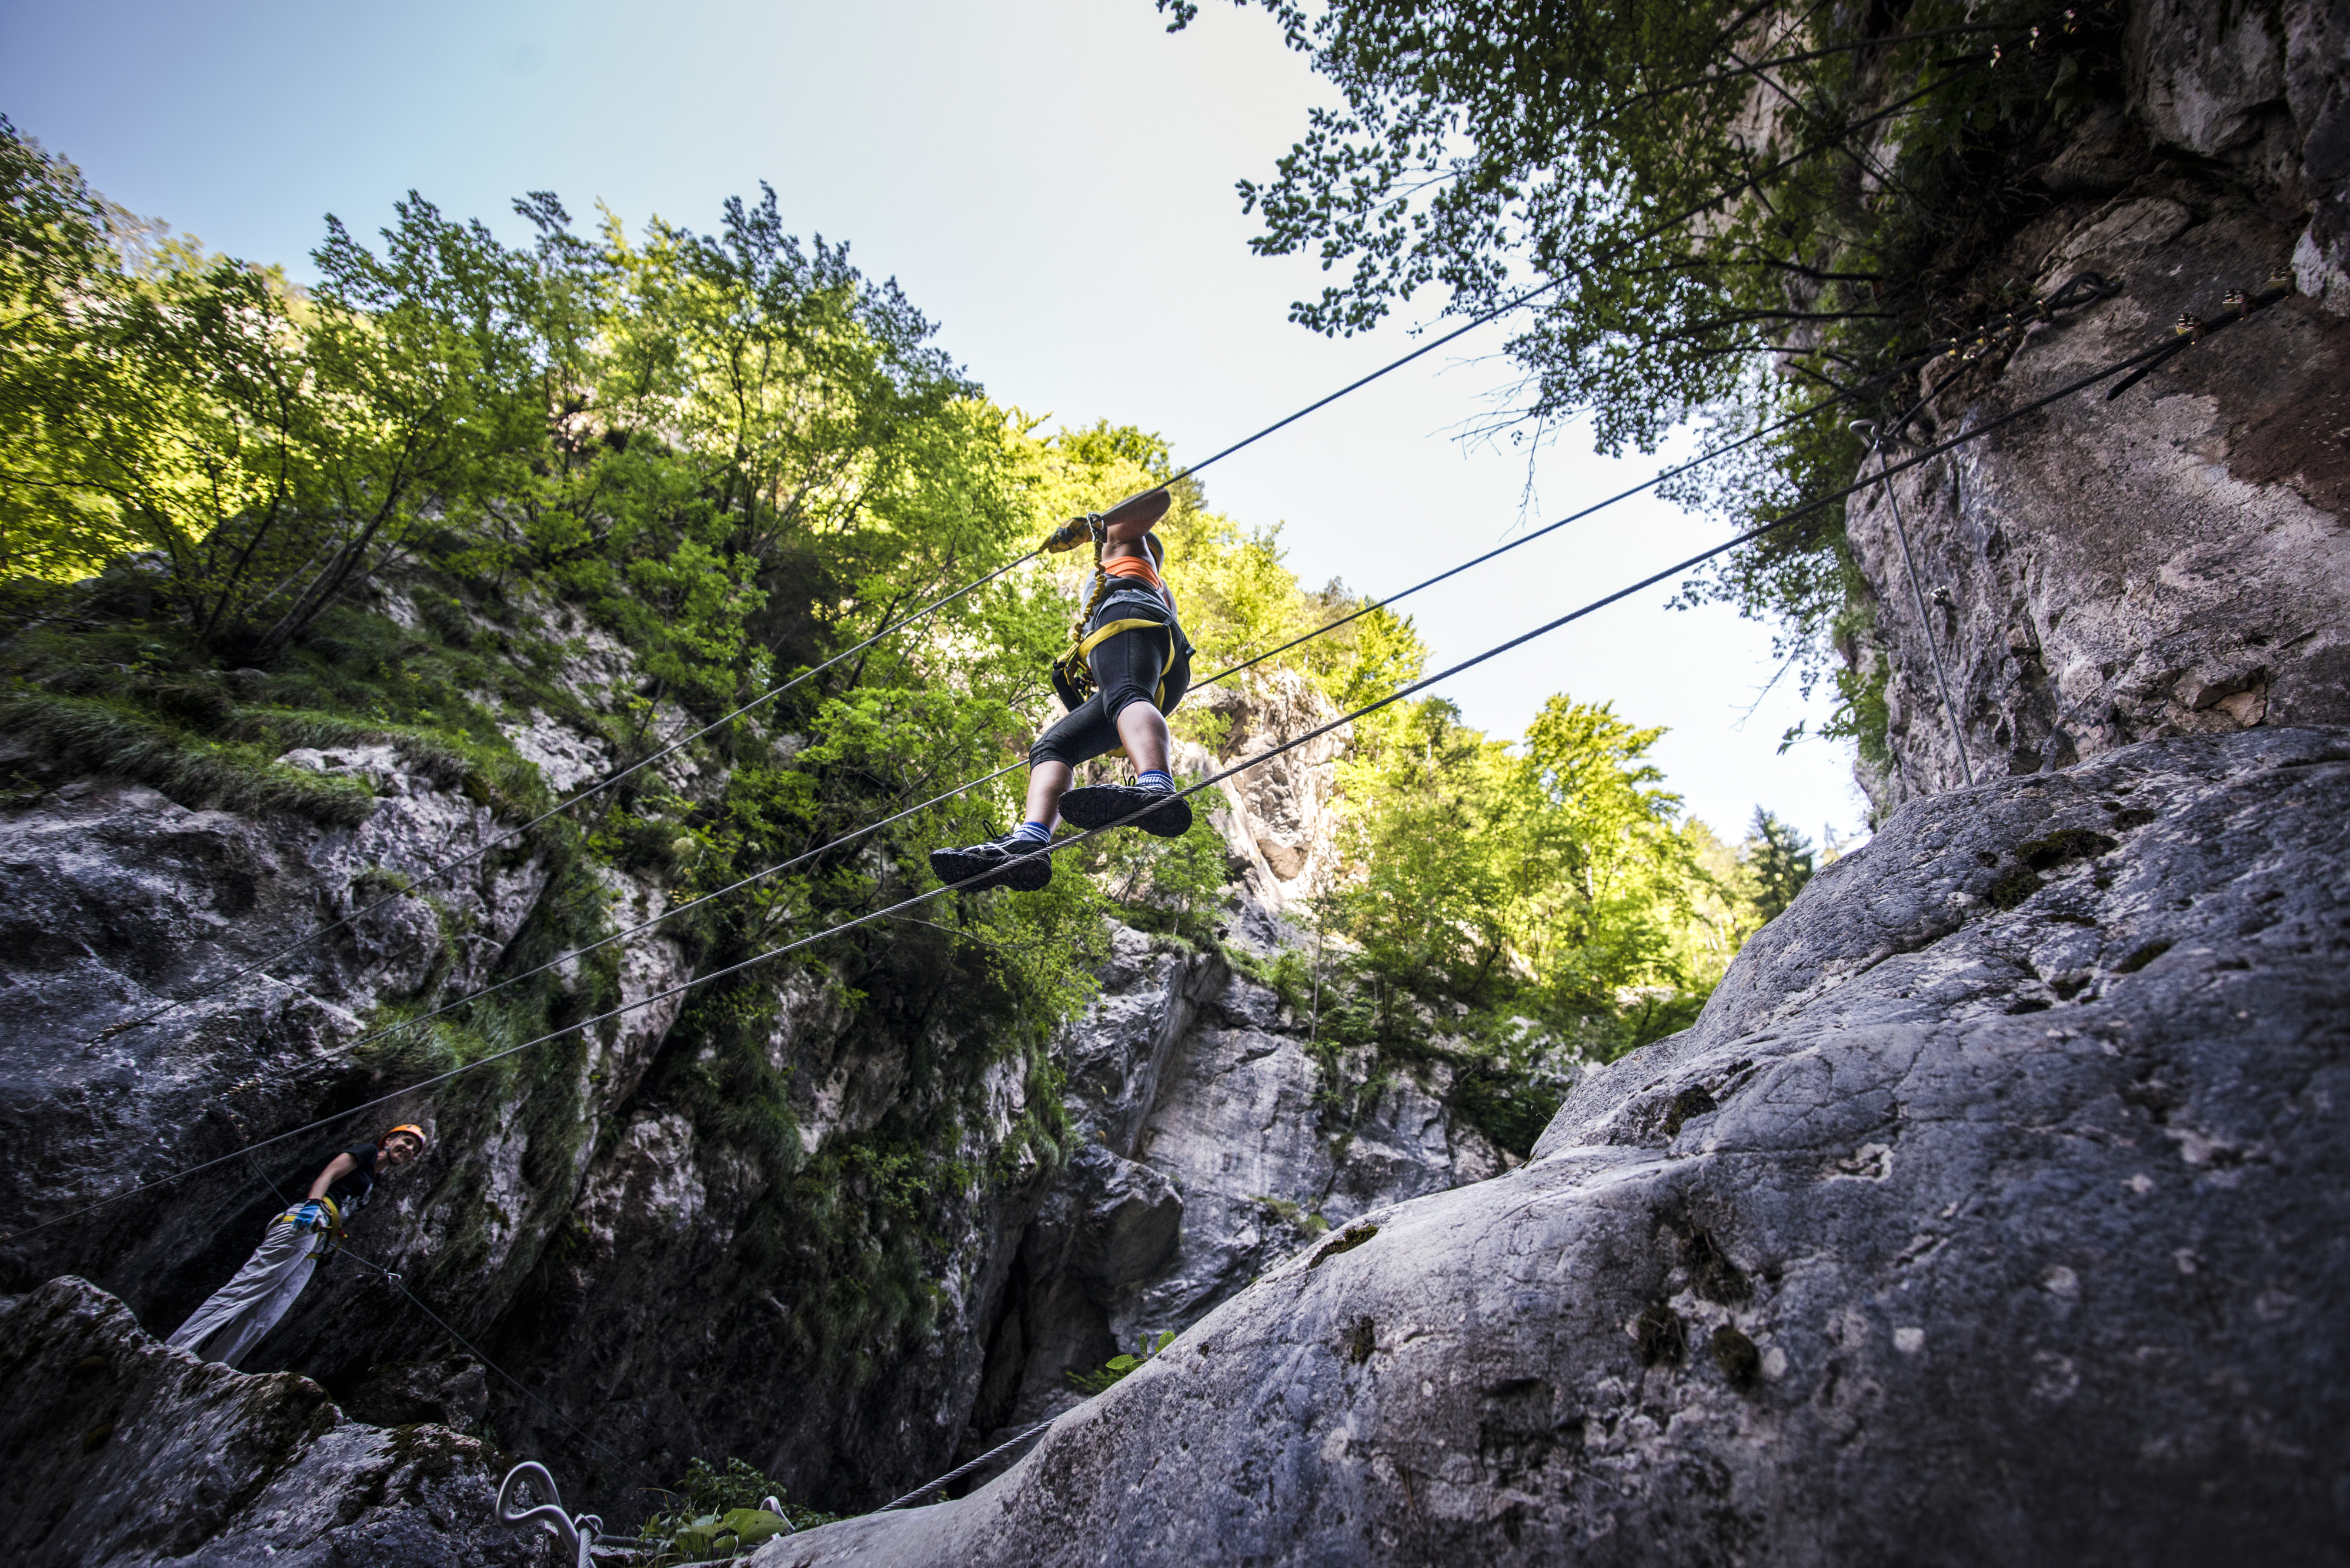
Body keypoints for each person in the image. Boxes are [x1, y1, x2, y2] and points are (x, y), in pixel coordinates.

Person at [931, 486, 1194, 892]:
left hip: (1129, 630)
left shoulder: (1124, 542)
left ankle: (1156, 784)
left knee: (1126, 694)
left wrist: (1096, 526)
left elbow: (1158, 500)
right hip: (1157, 670)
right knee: (1053, 746)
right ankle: (1031, 839)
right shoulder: (1158, 588)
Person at [165, 1123, 427, 1368]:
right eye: (407, 1141)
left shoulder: (374, 1181)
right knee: (248, 1287)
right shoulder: (368, 1152)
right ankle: (176, 1352)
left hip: (320, 1241)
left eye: (414, 1149)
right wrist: (313, 1204)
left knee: (267, 1315)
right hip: (308, 1220)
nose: (409, 1149)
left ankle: (213, 1368)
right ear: (390, 1139)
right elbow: (330, 1173)